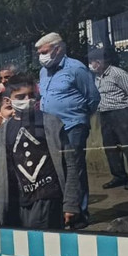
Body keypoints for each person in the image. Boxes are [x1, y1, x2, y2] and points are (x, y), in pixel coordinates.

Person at [36, 32, 100, 228]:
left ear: (58, 49)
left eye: (44, 51)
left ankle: (79, 213)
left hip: (73, 126)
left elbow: (92, 98)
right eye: (39, 53)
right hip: (50, 128)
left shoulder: (76, 68)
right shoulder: (43, 71)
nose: (41, 56)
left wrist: (80, 118)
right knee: (57, 168)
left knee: (76, 169)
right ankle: (65, 210)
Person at [0, 74, 68, 229]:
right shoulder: (3, 133)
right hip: (20, 201)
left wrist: (71, 203)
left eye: (31, 95)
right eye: (21, 96)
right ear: (9, 100)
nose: (28, 100)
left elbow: (71, 164)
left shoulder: (50, 123)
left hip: (47, 196)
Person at [89, 48, 128, 190]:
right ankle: (119, 176)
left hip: (121, 112)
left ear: (99, 61)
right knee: (110, 147)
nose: (90, 64)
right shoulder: (97, 77)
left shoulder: (118, 74)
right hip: (105, 114)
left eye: (92, 61)